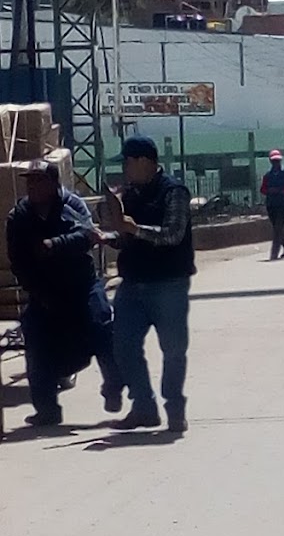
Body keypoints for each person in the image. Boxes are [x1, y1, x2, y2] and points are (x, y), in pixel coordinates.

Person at [5, 159, 119, 428]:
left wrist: (55, 244)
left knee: (102, 323)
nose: (33, 186)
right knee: (34, 333)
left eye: (39, 181)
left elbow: (88, 236)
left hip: (82, 285)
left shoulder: (72, 205)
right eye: (29, 181)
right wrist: (37, 290)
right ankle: (47, 410)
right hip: (46, 292)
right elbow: (18, 261)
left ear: (54, 183)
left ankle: (113, 387)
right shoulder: (19, 216)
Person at [105, 135, 194, 434]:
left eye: (128, 162)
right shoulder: (130, 195)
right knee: (123, 345)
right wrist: (108, 237)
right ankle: (143, 407)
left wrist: (135, 229)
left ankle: (175, 411)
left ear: (144, 161)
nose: (125, 169)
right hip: (133, 284)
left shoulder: (174, 192)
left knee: (173, 350)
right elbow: (127, 237)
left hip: (168, 284)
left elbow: (173, 234)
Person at [260, 149, 284, 261]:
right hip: (271, 204)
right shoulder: (268, 175)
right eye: (274, 161)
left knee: (278, 228)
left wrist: (281, 191)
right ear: (270, 161)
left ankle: (274, 254)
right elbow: (263, 189)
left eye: (278, 161)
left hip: (282, 204)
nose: (276, 163)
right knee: (277, 228)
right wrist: (270, 190)